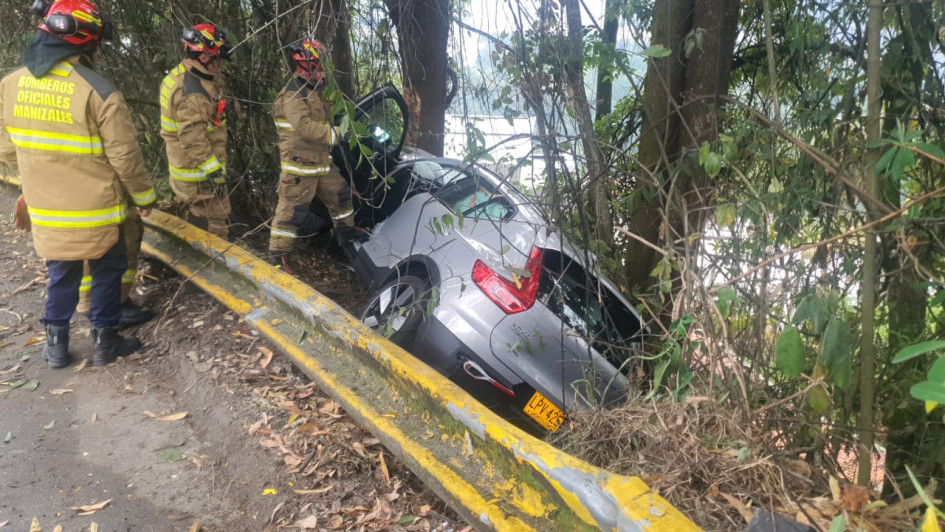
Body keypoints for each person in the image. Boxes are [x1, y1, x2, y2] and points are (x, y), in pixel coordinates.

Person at [0, 0, 156, 367]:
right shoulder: (99, 92)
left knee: (60, 273)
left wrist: (35, 182)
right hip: (98, 211)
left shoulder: (9, 85)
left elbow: (7, 150)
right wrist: (144, 197)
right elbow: (125, 158)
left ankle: (55, 346)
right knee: (106, 273)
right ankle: (106, 342)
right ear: (87, 42)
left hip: (47, 210)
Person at [267, 39, 368, 273]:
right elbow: (304, 128)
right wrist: (336, 134)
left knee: (341, 193)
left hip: (320, 164)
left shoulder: (310, 92)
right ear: (307, 66)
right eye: (320, 67)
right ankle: (278, 257)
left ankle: (346, 233)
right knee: (291, 212)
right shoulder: (292, 95)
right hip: (299, 166)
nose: (323, 72)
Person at [160, 23, 231, 239]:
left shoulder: (180, 75)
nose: (219, 65)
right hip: (198, 174)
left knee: (197, 216)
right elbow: (192, 139)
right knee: (217, 221)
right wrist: (214, 173)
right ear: (202, 57)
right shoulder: (194, 94)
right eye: (216, 59)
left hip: (185, 167)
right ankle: (214, 264)